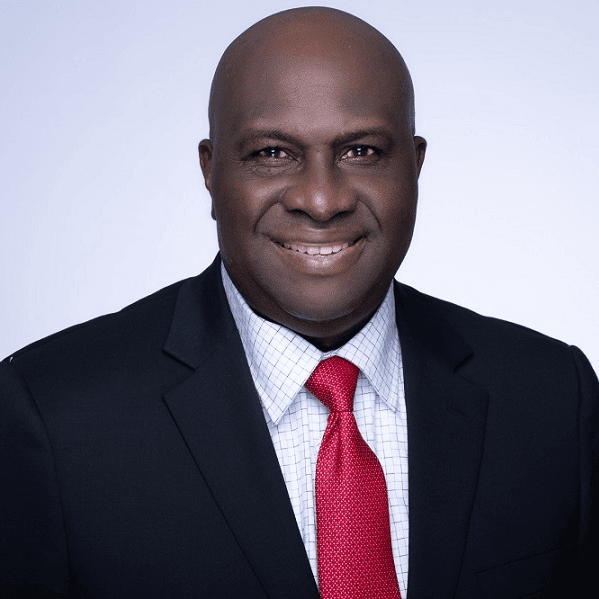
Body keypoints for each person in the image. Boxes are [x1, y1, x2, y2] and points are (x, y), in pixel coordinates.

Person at [1, 6, 597, 598]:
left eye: (361, 151)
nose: (321, 200)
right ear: (210, 171)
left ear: (415, 166)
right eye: (272, 153)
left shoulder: (552, 397)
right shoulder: (52, 415)